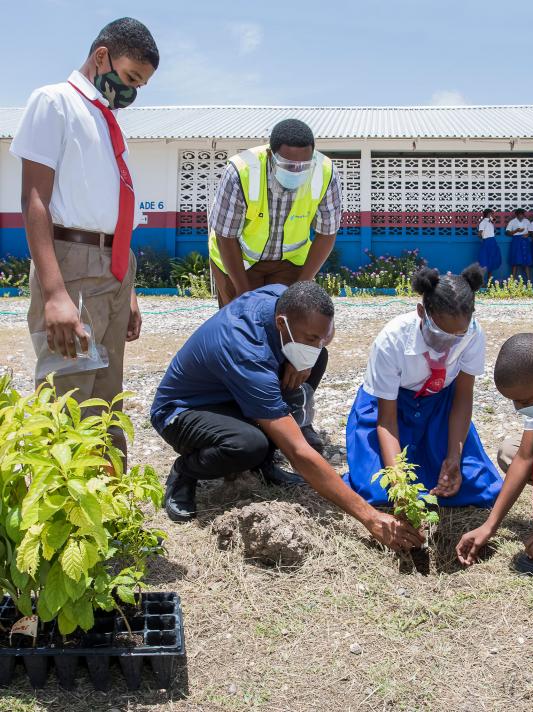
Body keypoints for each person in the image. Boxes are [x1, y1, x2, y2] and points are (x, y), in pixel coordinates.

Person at [150, 281, 424, 553]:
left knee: (315, 359)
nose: (317, 343)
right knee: (248, 445)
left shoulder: (285, 299)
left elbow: (325, 332)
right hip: (184, 410)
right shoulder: (248, 351)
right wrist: (370, 517)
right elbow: (298, 451)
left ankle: (263, 463)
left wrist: (302, 357)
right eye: (310, 338)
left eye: (320, 336)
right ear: (282, 324)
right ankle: (185, 471)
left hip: (232, 395)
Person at [9, 18, 159, 455]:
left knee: (107, 394)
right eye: (130, 77)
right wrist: (54, 292)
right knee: (69, 394)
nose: (131, 90)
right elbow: (35, 198)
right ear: (101, 56)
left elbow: (114, 206)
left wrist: (127, 287)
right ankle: (64, 513)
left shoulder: (105, 119)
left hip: (115, 266)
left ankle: (108, 506)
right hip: (72, 261)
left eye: (141, 85)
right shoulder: (54, 102)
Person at [207, 118, 343, 452]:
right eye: (287, 163)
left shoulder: (324, 172)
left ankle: (296, 417)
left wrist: (302, 287)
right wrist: (243, 292)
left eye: (303, 164)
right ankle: (245, 419)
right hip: (238, 261)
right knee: (244, 336)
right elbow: (225, 235)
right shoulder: (241, 170)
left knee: (299, 334)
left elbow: (327, 233)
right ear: (270, 154)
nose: (296, 170)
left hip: (291, 263)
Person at [343, 264, 503, 508]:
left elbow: (462, 399)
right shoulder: (392, 339)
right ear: (421, 312)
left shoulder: (472, 335)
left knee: (479, 486)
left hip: (440, 407)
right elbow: (386, 421)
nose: (448, 345)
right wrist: (399, 485)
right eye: (439, 335)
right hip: (389, 409)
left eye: (457, 337)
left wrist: (454, 457)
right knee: (379, 492)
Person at [457, 334, 533, 575]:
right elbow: (525, 457)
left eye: (524, 401)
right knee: (510, 451)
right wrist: (489, 526)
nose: (519, 408)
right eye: (515, 402)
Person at [506, 208, 532, 282]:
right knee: (515, 262)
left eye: (522, 215)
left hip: (525, 242)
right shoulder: (512, 222)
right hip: (516, 242)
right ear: (516, 215)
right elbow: (507, 232)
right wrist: (516, 231)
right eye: (519, 215)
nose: (521, 216)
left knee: (526, 262)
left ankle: (529, 281)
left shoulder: (527, 221)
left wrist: (528, 234)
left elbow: (531, 232)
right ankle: (512, 282)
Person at [477, 208, 502, 283]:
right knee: (484, 262)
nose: (493, 215)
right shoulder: (483, 223)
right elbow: (479, 234)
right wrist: (484, 240)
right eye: (492, 214)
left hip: (492, 242)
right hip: (487, 242)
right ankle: (481, 282)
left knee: (491, 262)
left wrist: (493, 222)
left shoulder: (490, 223)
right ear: (488, 214)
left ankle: (489, 282)